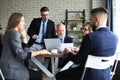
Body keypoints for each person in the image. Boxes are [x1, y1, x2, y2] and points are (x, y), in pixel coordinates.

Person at [55, 7, 118, 80]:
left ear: (96, 19)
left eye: (91, 20)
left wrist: (68, 53)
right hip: (106, 76)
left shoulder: (90, 37)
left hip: (87, 75)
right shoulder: (115, 37)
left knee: (59, 75)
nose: (90, 23)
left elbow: (77, 60)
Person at [0, 12, 51, 80]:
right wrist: (40, 52)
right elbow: (22, 55)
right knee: (38, 76)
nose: (24, 23)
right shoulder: (14, 33)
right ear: (16, 21)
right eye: (23, 21)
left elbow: (24, 52)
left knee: (36, 74)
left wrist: (24, 37)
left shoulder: (9, 33)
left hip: (8, 68)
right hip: (12, 70)